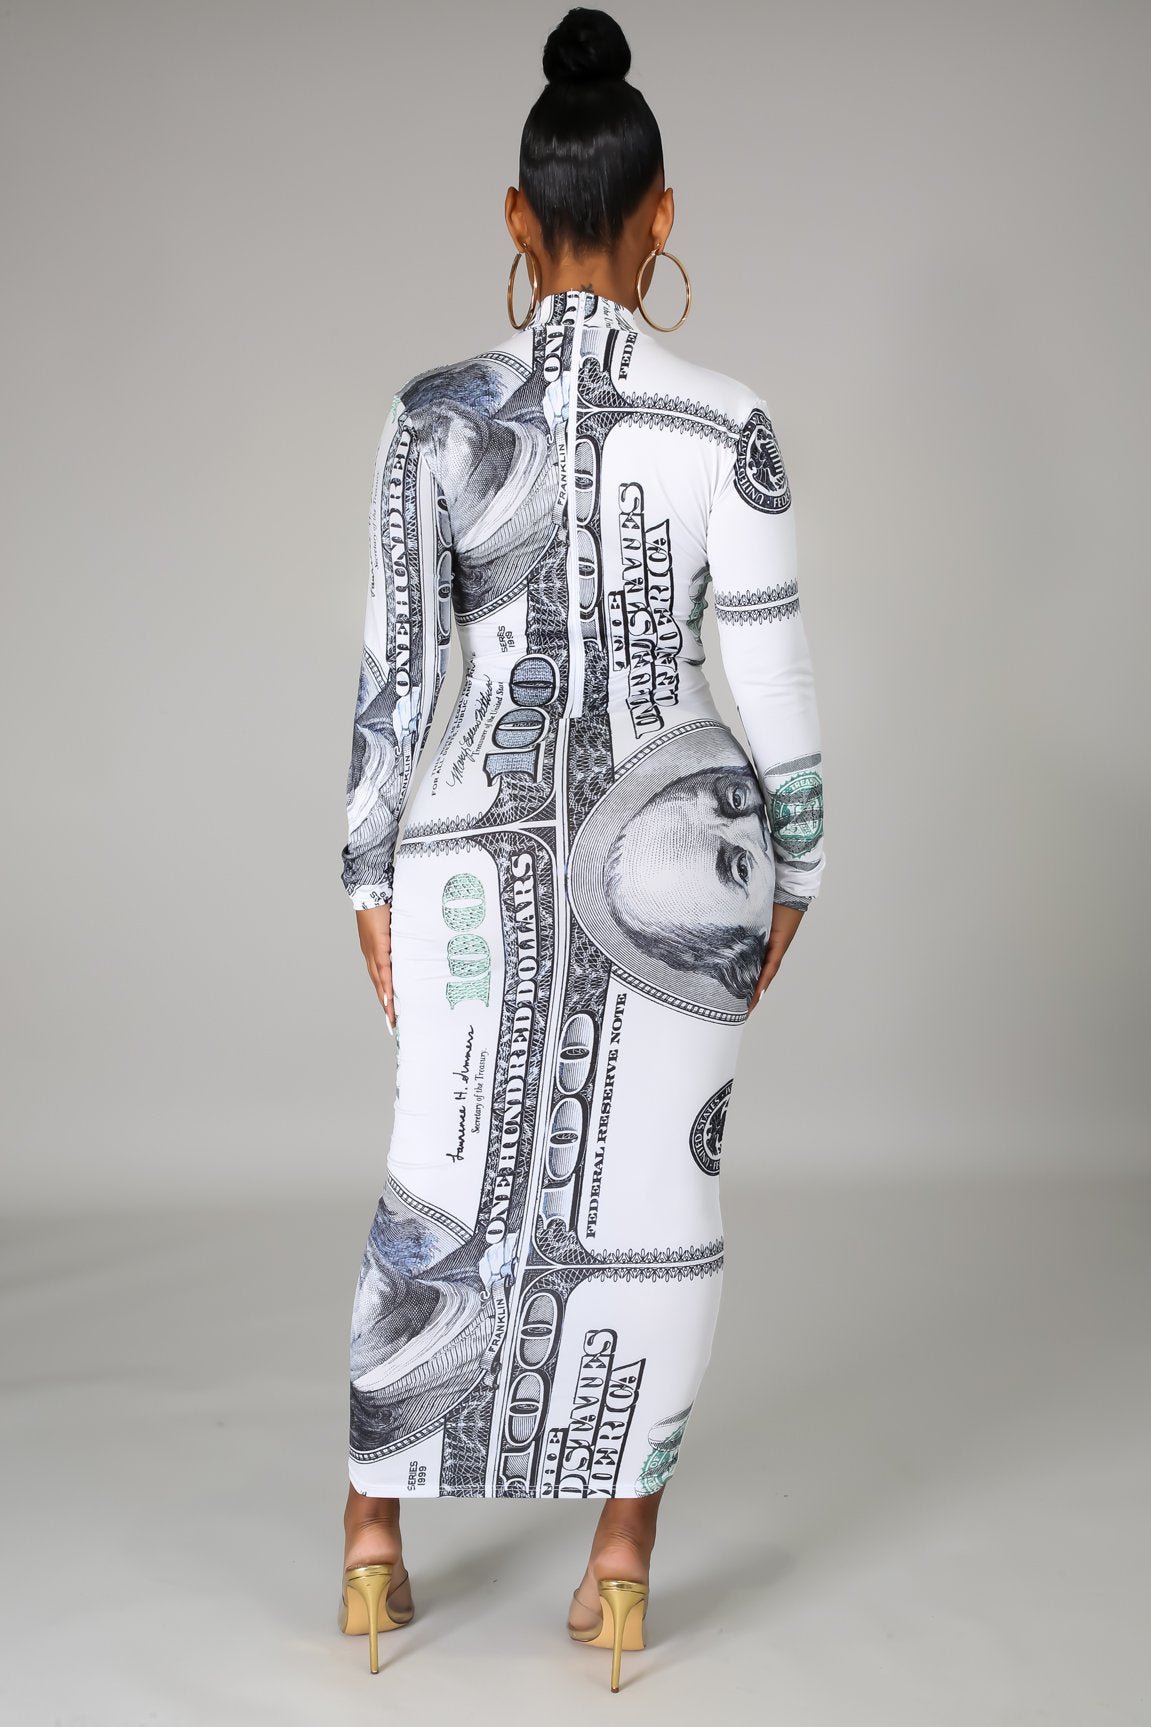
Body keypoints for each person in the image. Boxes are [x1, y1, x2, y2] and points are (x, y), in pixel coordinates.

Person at [336, 5, 826, 1690]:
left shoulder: (431, 419)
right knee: (661, 1200)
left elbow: (397, 677)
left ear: (517, 220)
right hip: (689, 856)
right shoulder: (730, 425)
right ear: (662, 216)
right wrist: (797, 878)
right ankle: (621, 1568)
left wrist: (364, 873)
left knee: (435, 1183)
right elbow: (774, 691)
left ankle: (372, 1544)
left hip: (461, 855)